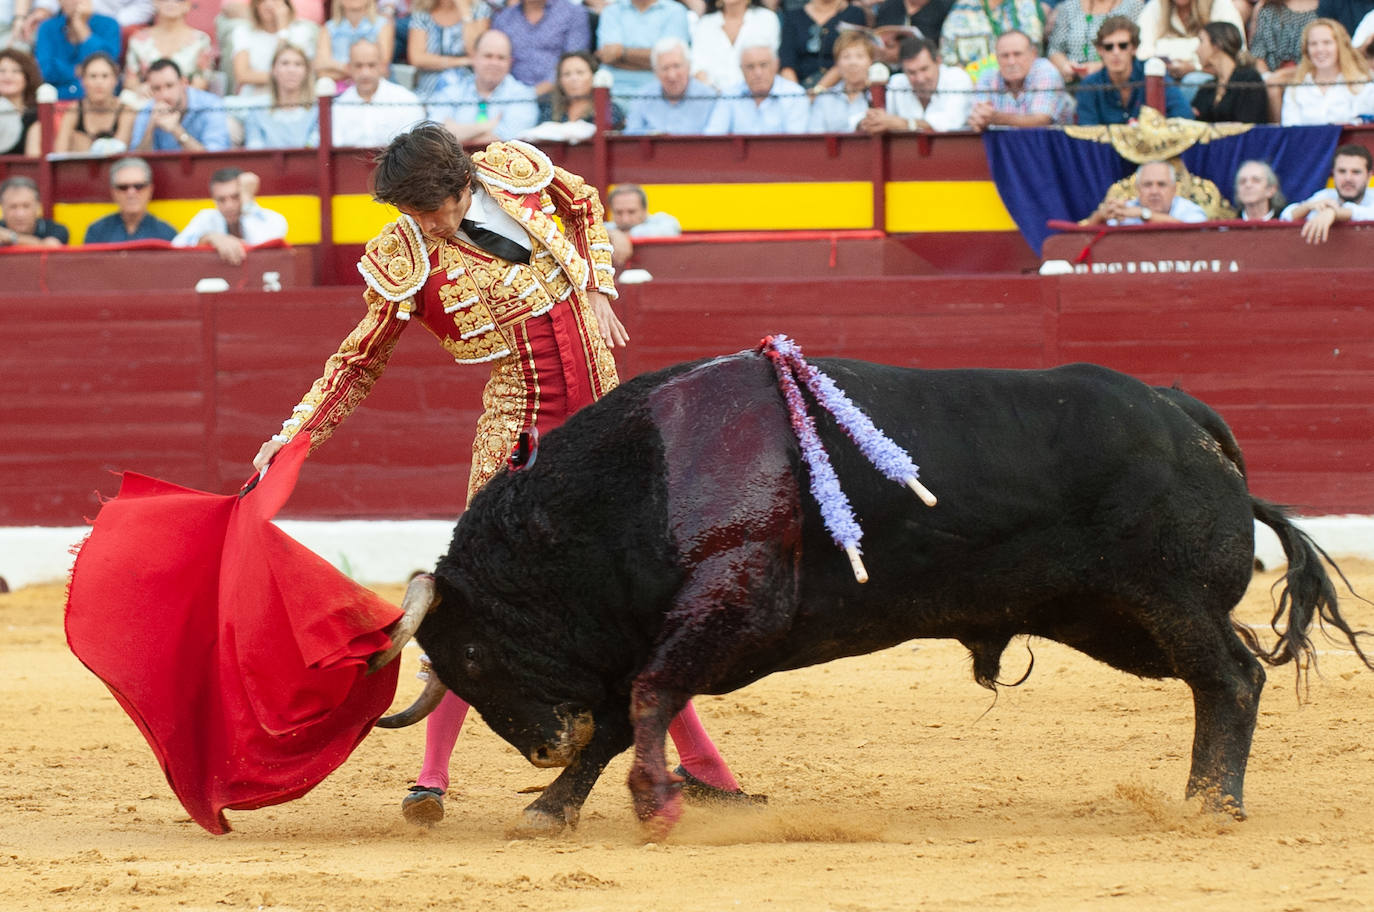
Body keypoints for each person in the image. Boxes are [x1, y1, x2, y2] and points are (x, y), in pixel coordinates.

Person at [248, 124, 752, 825]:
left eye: (437, 209)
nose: (429, 225)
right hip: (526, 440)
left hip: (608, 428)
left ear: (463, 183)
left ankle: (704, 771)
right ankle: (430, 778)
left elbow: (583, 202)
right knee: (480, 607)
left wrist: (599, 284)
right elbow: (357, 363)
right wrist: (293, 436)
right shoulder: (406, 256)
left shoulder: (514, 169)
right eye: (415, 215)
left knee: (638, 601)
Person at [427, 28, 540, 142]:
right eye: (488, 56)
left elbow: (509, 140)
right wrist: (486, 127)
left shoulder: (524, 95)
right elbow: (433, 135)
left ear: (510, 62)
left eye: (501, 58)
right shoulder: (452, 92)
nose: (494, 63)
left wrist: (454, 133)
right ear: (474, 58)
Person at [1076, 16, 1192, 124]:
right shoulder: (1089, 85)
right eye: (1109, 47)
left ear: (1134, 48)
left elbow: (1184, 115)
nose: (1116, 52)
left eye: (1123, 46)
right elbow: (1087, 133)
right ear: (1100, 50)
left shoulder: (1152, 72)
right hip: (1105, 146)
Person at [1134, 0, 1247, 101]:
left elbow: (1235, 53)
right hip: (1165, 76)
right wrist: (1165, 65)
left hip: (1211, 78)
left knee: (1193, 80)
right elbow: (1141, 51)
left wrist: (1195, 67)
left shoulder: (1219, 4)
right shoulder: (1156, 6)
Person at [173, 167, 288, 263]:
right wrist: (209, 238)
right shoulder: (206, 217)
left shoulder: (274, 219)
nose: (229, 205)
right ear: (214, 200)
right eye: (221, 200)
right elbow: (174, 250)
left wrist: (247, 202)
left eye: (235, 197)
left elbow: (263, 252)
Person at [967, 29, 1074, 130]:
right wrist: (980, 120)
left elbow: (1041, 120)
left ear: (1033, 54)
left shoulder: (1045, 71)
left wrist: (996, 118)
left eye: (1017, 54)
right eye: (1005, 56)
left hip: (1048, 144)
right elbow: (978, 117)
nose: (1011, 62)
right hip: (1002, 146)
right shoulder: (988, 77)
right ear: (997, 58)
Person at [863, 35, 972, 132]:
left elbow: (950, 122)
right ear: (903, 70)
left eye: (924, 69)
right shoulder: (897, 83)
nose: (920, 79)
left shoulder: (957, 77)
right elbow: (880, 118)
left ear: (938, 61)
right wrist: (871, 120)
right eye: (911, 72)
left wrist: (905, 124)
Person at [331, 39, 426, 146]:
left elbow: (414, 149)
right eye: (358, 65)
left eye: (371, 65)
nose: (365, 73)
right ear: (349, 67)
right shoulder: (338, 106)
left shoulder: (407, 100)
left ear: (382, 66)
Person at [1278, 17, 1374, 123]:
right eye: (1313, 44)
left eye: (1327, 42)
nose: (1320, 49)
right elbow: (1290, 131)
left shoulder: (1363, 84)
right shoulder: (1295, 89)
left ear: (1340, 46)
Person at [704, 41, 810, 134]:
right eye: (750, 67)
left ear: (776, 65)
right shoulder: (729, 95)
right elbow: (713, 139)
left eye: (763, 65)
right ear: (741, 69)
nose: (757, 73)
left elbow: (796, 145)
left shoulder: (795, 95)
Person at [490, 0, 590, 98]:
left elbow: (574, 61)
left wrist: (534, 94)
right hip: (513, 98)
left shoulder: (573, 13)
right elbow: (496, 62)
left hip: (558, 97)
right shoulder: (503, 19)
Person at [595, 0, 691, 100]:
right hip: (614, 93)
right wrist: (656, 60)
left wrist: (621, 53)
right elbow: (607, 57)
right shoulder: (612, 10)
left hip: (659, 95)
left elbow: (670, 59)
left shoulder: (675, 11)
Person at [131, 57, 232, 151]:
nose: (164, 95)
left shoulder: (211, 105)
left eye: (169, 86)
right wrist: (150, 128)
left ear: (183, 83)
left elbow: (214, 159)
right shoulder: (148, 110)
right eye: (157, 89)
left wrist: (177, 131)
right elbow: (137, 161)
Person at [1280, 142, 1374, 243]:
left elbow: (1369, 214)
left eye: (1356, 172)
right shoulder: (1325, 195)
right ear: (1333, 174)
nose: (1348, 178)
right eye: (1342, 171)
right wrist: (1307, 207)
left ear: (1369, 177)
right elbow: (1286, 216)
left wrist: (1333, 213)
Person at [624, 36, 719, 134]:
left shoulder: (709, 98)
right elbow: (631, 136)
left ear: (689, 66)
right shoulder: (642, 97)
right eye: (665, 68)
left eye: (676, 66)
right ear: (656, 72)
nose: (672, 75)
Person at [32, 0, 120, 99]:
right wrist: (75, 71)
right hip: (57, 98)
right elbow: (45, 70)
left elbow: (106, 66)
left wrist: (81, 26)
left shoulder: (109, 25)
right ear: (59, 2)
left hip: (98, 100)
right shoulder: (47, 27)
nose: (75, 2)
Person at [123, 0, 214, 95]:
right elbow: (130, 80)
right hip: (146, 100)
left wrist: (178, 97)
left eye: (178, 0)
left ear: (188, 5)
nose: (171, 3)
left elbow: (202, 80)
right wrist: (140, 89)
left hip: (186, 100)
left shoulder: (201, 40)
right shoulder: (138, 39)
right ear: (155, 3)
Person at [230, 0, 319, 97]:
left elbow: (306, 73)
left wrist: (282, 31)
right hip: (254, 99)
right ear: (255, 5)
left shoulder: (302, 31)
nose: (268, 4)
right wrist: (286, 77)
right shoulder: (244, 31)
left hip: (292, 99)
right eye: (263, 1)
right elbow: (242, 75)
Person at [406, 0, 491, 100]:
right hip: (429, 91)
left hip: (469, 93)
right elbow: (417, 59)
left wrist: (465, 12)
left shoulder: (479, 9)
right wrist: (461, 61)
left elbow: (475, 52)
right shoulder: (422, 11)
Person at [53, 50, 135, 153]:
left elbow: (120, 149)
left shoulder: (126, 110)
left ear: (115, 80)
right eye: (93, 76)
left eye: (105, 76)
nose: (99, 82)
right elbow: (59, 151)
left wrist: (85, 145)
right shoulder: (74, 109)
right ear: (83, 81)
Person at [690, 0, 780, 92]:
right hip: (713, 98)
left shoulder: (766, 19)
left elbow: (771, 63)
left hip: (756, 97)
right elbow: (697, 67)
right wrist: (715, 93)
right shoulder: (705, 23)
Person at [83, 156, 179, 242]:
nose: (131, 193)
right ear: (114, 192)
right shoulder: (97, 232)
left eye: (138, 186)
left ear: (150, 190)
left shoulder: (167, 234)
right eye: (123, 187)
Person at [1083, 160, 1210, 225]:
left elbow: (1194, 232)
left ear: (1174, 190)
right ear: (1138, 189)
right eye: (1147, 185)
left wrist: (1144, 214)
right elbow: (1082, 240)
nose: (1154, 191)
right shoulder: (1126, 210)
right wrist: (1100, 216)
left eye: (1161, 184)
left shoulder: (1189, 210)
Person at [1046, 0, 1143, 84]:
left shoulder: (1133, 5)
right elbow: (1055, 48)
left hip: (1115, 81)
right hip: (1072, 82)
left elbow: (1138, 48)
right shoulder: (1070, 6)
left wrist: (1101, 67)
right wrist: (1065, 65)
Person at [241, 42, 319, 148]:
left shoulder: (317, 110)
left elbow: (313, 145)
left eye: (298, 64)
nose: (291, 70)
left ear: (306, 71)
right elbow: (255, 148)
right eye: (285, 63)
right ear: (274, 70)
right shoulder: (257, 110)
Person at [1192, 21, 1269, 121]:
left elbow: (1249, 124)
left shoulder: (1249, 79)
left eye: (1201, 41)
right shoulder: (1207, 88)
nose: (1196, 50)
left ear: (1217, 45)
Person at [777, 0, 865, 88]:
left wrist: (818, 90)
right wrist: (797, 94)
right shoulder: (793, 16)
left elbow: (850, 55)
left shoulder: (854, 14)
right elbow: (787, 63)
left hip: (839, 88)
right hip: (798, 89)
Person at [939, 0, 1046, 71]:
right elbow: (948, 57)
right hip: (973, 86)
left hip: (1024, 80)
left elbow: (1035, 48)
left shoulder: (1026, 4)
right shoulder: (962, 9)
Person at [807, 29, 877, 132]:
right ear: (837, 63)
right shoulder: (825, 99)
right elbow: (815, 136)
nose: (853, 62)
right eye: (846, 56)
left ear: (870, 61)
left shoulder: (878, 95)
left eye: (860, 56)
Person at [539, 49, 626, 129]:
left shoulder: (609, 110)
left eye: (580, 73)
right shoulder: (549, 108)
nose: (573, 79)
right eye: (567, 74)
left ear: (594, 76)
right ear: (559, 81)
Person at [314, 0, 393, 82]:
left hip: (376, 87)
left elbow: (383, 67)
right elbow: (321, 68)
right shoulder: (329, 28)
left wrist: (336, 67)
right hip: (337, 89)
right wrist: (362, 70)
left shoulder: (383, 25)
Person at [1249, 0, 1319, 74]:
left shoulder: (1326, 10)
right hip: (1270, 79)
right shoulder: (1268, 10)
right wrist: (1268, 79)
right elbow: (1257, 54)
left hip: (1312, 80)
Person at [0, 175, 69, 245]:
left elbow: (51, 246)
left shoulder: (56, 229)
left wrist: (12, 237)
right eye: (13, 207)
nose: (20, 214)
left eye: (26, 206)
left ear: (38, 207)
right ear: (2, 208)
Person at [0, 47, 42, 157]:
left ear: (27, 78)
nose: (8, 76)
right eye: (2, 71)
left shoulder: (35, 115)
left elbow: (34, 158)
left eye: (16, 71)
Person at [607, 182, 682, 235]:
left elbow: (671, 228)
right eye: (618, 213)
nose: (625, 220)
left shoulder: (662, 222)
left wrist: (620, 235)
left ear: (644, 210)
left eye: (631, 212)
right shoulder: (608, 227)